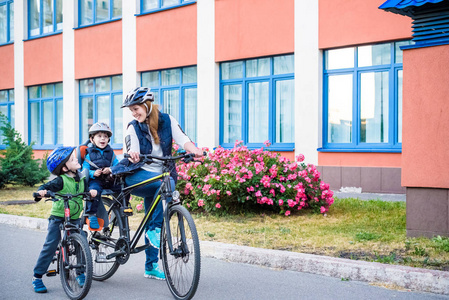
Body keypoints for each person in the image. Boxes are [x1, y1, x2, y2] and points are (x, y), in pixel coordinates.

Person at [120, 87, 203, 280]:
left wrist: (195, 150)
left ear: (147, 105)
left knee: (164, 193)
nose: (134, 113)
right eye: (131, 110)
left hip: (161, 177)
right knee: (157, 216)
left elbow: (183, 139)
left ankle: (150, 266)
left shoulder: (167, 120)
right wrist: (133, 154)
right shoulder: (133, 127)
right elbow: (131, 146)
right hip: (138, 175)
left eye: (136, 108)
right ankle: (153, 230)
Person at [32, 147, 97, 293]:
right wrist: (41, 192)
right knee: (51, 244)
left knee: (82, 241)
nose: (76, 160)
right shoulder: (60, 181)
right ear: (65, 167)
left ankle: (80, 272)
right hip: (58, 217)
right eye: (73, 160)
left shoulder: (81, 178)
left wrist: (91, 192)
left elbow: (87, 190)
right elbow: (45, 187)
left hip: (74, 217)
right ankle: (37, 277)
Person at [81, 122, 120, 229]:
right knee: (94, 192)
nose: (103, 139)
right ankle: (92, 215)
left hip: (108, 179)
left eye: (105, 136)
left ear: (108, 139)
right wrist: (94, 173)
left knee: (123, 188)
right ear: (92, 139)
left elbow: (117, 165)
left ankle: (119, 211)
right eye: (99, 136)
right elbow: (84, 170)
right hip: (95, 180)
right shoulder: (89, 154)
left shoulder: (111, 153)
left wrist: (111, 169)